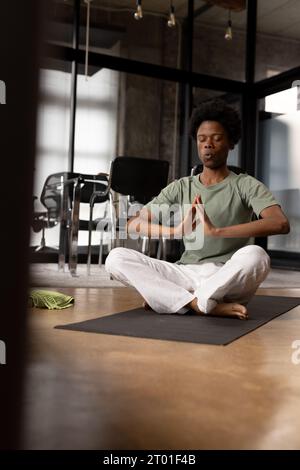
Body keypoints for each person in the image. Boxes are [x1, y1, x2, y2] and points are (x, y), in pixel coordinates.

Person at [105, 100, 290, 320]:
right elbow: (132, 223)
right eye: (202, 139)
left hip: (227, 275)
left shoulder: (245, 184)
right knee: (116, 258)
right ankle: (198, 303)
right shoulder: (182, 186)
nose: (208, 144)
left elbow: (280, 223)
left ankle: (171, 299)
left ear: (231, 143)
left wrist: (218, 231)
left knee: (258, 256)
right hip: (186, 272)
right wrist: (176, 232)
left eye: (216, 138)